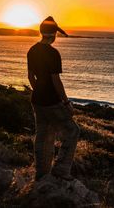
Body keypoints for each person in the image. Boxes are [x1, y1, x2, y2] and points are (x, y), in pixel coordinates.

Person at [27, 16, 79, 181]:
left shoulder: (32, 50)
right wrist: (66, 102)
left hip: (37, 99)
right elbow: (56, 80)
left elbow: (30, 77)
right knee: (72, 131)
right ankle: (61, 170)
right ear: (52, 34)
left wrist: (39, 91)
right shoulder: (53, 53)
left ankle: (42, 174)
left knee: (44, 134)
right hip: (52, 102)